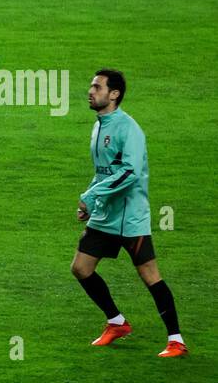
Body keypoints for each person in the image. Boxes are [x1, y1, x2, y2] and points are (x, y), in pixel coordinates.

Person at [72, 69, 187, 357]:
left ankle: (176, 340)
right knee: (81, 268)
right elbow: (103, 173)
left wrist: (91, 196)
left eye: (97, 87)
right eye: (91, 86)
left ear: (114, 94)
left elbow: (130, 173)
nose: (90, 90)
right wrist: (92, 203)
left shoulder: (129, 129)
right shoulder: (99, 125)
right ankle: (117, 322)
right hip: (105, 215)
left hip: (130, 218)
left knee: (150, 275)